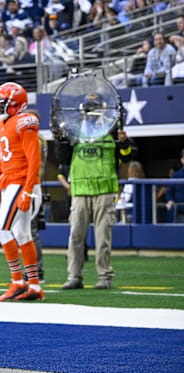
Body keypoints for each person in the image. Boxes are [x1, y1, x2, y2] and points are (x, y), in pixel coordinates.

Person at [0, 83, 45, 302]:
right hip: (12, 182)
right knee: (22, 234)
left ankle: (17, 281)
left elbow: (34, 160)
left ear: (15, 103)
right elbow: (3, 157)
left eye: (1, 102)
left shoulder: (25, 122)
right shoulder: (3, 122)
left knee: (1, 229)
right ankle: (34, 286)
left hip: (22, 183)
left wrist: (27, 190)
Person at [55, 122, 136, 290]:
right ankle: (74, 276)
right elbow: (63, 159)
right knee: (76, 235)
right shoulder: (73, 130)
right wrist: (60, 141)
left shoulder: (112, 130)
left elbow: (127, 156)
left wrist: (124, 142)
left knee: (102, 236)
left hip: (104, 189)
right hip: (80, 189)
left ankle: (105, 276)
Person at [165, 148, 184, 222]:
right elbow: (169, 192)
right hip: (179, 212)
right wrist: (170, 200)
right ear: (182, 160)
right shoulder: (176, 175)